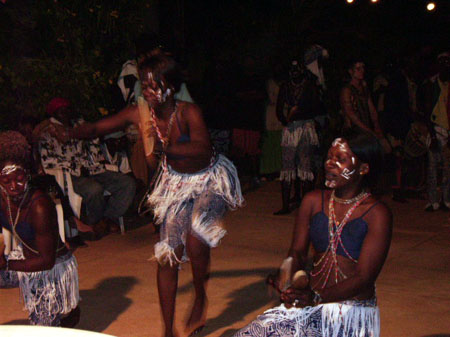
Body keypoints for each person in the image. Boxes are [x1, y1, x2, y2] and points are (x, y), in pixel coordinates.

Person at [53, 54, 244, 337]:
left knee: (195, 236)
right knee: (167, 253)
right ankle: (167, 329)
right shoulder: (140, 112)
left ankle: (200, 296)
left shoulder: (188, 112)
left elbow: (202, 150)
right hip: (175, 183)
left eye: (154, 84)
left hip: (209, 181)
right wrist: (69, 133)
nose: (148, 90)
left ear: (170, 85)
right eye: (145, 84)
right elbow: (98, 127)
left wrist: (165, 148)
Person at [234, 133, 392, 337]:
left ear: (363, 168)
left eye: (340, 160)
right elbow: (297, 252)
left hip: (352, 310)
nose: (329, 164)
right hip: (313, 302)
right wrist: (287, 275)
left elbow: (364, 278)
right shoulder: (313, 201)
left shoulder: (377, 213)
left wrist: (316, 297)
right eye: (329, 156)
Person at [0, 131, 80, 326]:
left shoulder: (40, 206)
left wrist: (6, 265)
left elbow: (46, 261)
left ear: (27, 175)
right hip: (24, 257)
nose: (13, 186)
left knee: (43, 330)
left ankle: (67, 310)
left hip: (51, 269)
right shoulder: (2, 197)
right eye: (6, 180)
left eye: (19, 178)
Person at [39, 98, 136, 235]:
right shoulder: (47, 133)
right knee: (94, 190)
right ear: (54, 114)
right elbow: (48, 162)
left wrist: (92, 163)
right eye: (60, 111)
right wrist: (75, 167)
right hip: (70, 174)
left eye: (67, 109)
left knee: (127, 184)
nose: (65, 113)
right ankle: (93, 224)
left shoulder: (80, 126)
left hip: (92, 169)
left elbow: (94, 145)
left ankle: (106, 219)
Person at [274, 60, 324, 215]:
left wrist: (297, 112)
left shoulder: (310, 86)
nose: (295, 72)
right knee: (288, 166)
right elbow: (279, 108)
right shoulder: (285, 86)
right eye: (292, 69)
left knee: (305, 165)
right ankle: (286, 205)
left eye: (297, 69)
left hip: (305, 128)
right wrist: (286, 120)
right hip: (290, 129)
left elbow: (316, 107)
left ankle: (305, 205)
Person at [420, 51, 450, 211]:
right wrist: (431, 135)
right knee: (432, 167)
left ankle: (446, 199)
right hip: (435, 128)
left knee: (447, 168)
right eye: (443, 62)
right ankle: (432, 200)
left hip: (447, 130)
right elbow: (426, 110)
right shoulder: (431, 85)